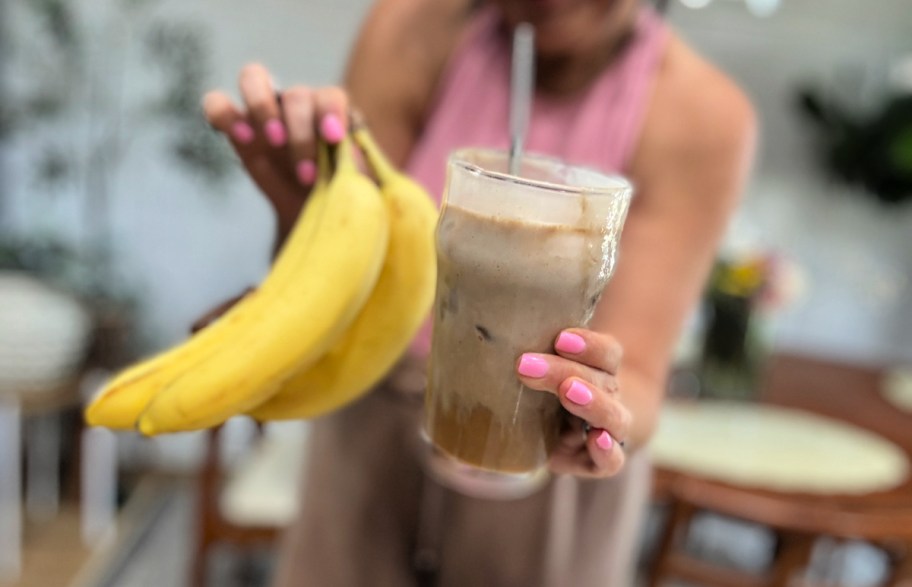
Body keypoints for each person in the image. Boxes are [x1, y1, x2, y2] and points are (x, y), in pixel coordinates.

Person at [201, 0, 756, 584]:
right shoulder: (412, 26)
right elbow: (345, 276)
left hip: (549, 473)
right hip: (373, 431)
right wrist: (301, 219)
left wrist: (600, 415)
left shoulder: (702, 114)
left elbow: (638, 373)